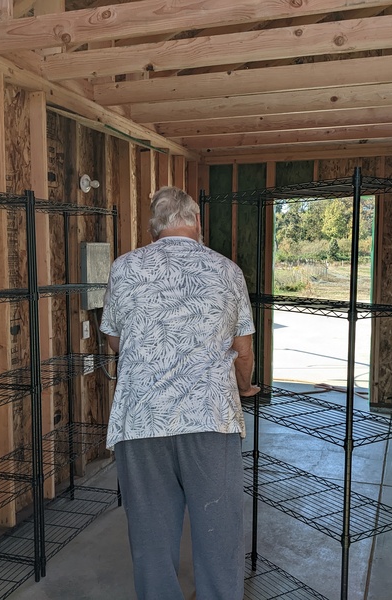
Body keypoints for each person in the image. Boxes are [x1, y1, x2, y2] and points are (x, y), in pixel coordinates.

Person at [100, 186, 260, 600]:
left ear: (154, 228)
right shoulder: (227, 271)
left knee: (151, 540)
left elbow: (115, 340)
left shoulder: (124, 268)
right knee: (219, 537)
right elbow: (243, 350)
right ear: (197, 225)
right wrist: (244, 387)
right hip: (210, 418)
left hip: (141, 421)